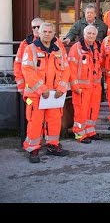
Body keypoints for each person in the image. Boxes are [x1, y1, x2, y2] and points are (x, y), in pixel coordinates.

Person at [21, 22, 70, 163]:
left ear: (54, 34)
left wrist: (61, 88)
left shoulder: (59, 50)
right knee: (35, 122)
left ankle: (53, 146)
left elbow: (66, 70)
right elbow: (27, 71)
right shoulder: (30, 49)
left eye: (50, 32)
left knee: (54, 121)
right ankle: (33, 149)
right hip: (35, 95)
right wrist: (42, 89)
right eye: (45, 31)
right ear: (39, 33)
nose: (47, 34)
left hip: (54, 95)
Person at [68, 25, 103, 144]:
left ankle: (89, 130)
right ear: (84, 34)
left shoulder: (96, 47)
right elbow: (71, 69)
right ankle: (79, 133)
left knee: (93, 110)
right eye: (89, 33)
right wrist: (75, 86)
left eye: (93, 34)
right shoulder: (76, 48)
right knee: (81, 111)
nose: (91, 36)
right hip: (81, 87)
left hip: (95, 86)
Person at [14, 17, 44, 97]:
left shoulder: (55, 43)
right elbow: (17, 65)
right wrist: (21, 85)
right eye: (34, 27)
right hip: (30, 89)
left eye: (39, 26)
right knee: (30, 106)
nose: (36, 29)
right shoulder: (25, 44)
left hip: (49, 89)